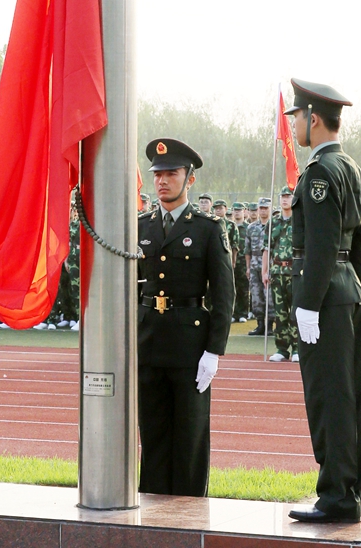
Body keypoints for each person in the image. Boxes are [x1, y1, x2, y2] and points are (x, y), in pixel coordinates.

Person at [285, 78, 361, 524]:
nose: (294, 124)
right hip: (347, 290)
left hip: (325, 296)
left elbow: (320, 245)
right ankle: (352, 492)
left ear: (313, 118)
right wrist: (349, 284)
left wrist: (310, 303)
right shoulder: (353, 169)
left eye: (297, 116)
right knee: (351, 397)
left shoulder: (320, 173)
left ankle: (336, 496)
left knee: (329, 396)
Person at [137, 138, 234, 497]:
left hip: (189, 346)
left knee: (190, 436)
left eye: (171, 174)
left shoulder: (208, 228)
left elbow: (223, 293)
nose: (162, 181)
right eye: (157, 174)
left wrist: (214, 351)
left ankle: (188, 512)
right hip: (148, 342)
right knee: (152, 432)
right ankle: (152, 507)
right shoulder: (141, 226)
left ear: (189, 179)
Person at [262, 186, 298, 362]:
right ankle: (282, 349)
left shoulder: (300, 221)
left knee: (295, 311)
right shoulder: (273, 222)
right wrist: (264, 271)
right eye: (283, 197)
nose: (285, 200)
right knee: (280, 312)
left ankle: (298, 348)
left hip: (294, 272)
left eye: (288, 196)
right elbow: (266, 249)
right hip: (277, 272)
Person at [244, 197, 274, 335]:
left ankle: (270, 326)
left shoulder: (274, 225)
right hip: (255, 266)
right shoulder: (251, 227)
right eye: (261, 208)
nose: (262, 211)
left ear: (270, 209)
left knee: (270, 297)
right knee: (256, 296)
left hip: (270, 265)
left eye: (265, 208)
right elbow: (247, 250)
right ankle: (260, 325)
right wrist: (248, 267)